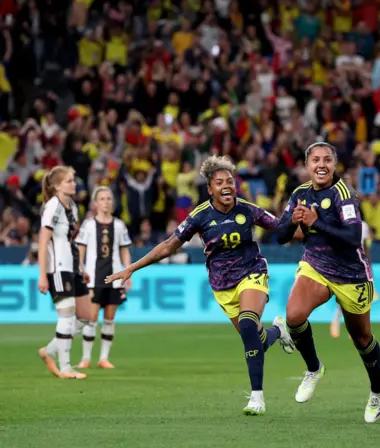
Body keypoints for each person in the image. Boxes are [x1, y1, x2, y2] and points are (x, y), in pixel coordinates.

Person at [105, 155, 295, 415]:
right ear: (210, 190)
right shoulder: (200, 216)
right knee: (256, 339)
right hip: (222, 285)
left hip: (252, 272)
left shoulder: (248, 209)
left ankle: (257, 398)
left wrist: (305, 223)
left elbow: (281, 230)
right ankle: (278, 330)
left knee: (249, 324)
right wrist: (132, 268)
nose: (227, 186)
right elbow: (169, 246)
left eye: (230, 181)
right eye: (220, 182)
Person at [275, 142, 380, 423]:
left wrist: (315, 222)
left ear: (334, 164)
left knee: (362, 339)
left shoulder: (344, 195)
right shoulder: (300, 193)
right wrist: (292, 222)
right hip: (316, 266)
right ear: (307, 165)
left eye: (327, 160)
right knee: (294, 316)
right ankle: (313, 368)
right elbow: (280, 235)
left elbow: (352, 238)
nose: (321, 165)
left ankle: (377, 390)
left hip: (351, 275)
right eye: (315, 160)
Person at [36, 166, 92, 380]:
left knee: (86, 317)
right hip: (58, 268)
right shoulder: (52, 207)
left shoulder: (73, 207)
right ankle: (66, 367)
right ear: (57, 186)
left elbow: (72, 241)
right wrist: (43, 275)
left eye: (73, 180)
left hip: (73, 267)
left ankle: (49, 351)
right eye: (69, 180)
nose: (74, 183)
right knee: (66, 316)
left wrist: (82, 269)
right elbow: (43, 242)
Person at [76, 186, 133, 369]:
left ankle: (103, 358)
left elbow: (124, 250)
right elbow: (80, 250)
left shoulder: (119, 225)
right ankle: (85, 358)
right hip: (93, 278)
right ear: (95, 203)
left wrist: (128, 271)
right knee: (91, 318)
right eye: (102, 199)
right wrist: (81, 269)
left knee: (109, 318)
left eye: (108, 199)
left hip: (114, 277)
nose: (106, 202)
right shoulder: (88, 225)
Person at [329, 220, 377, 339]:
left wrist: (369, 266)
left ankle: (357, 329)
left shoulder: (363, 225)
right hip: (345, 264)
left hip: (359, 265)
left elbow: (365, 247)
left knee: (362, 297)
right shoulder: (338, 224)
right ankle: (340, 320)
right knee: (348, 297)